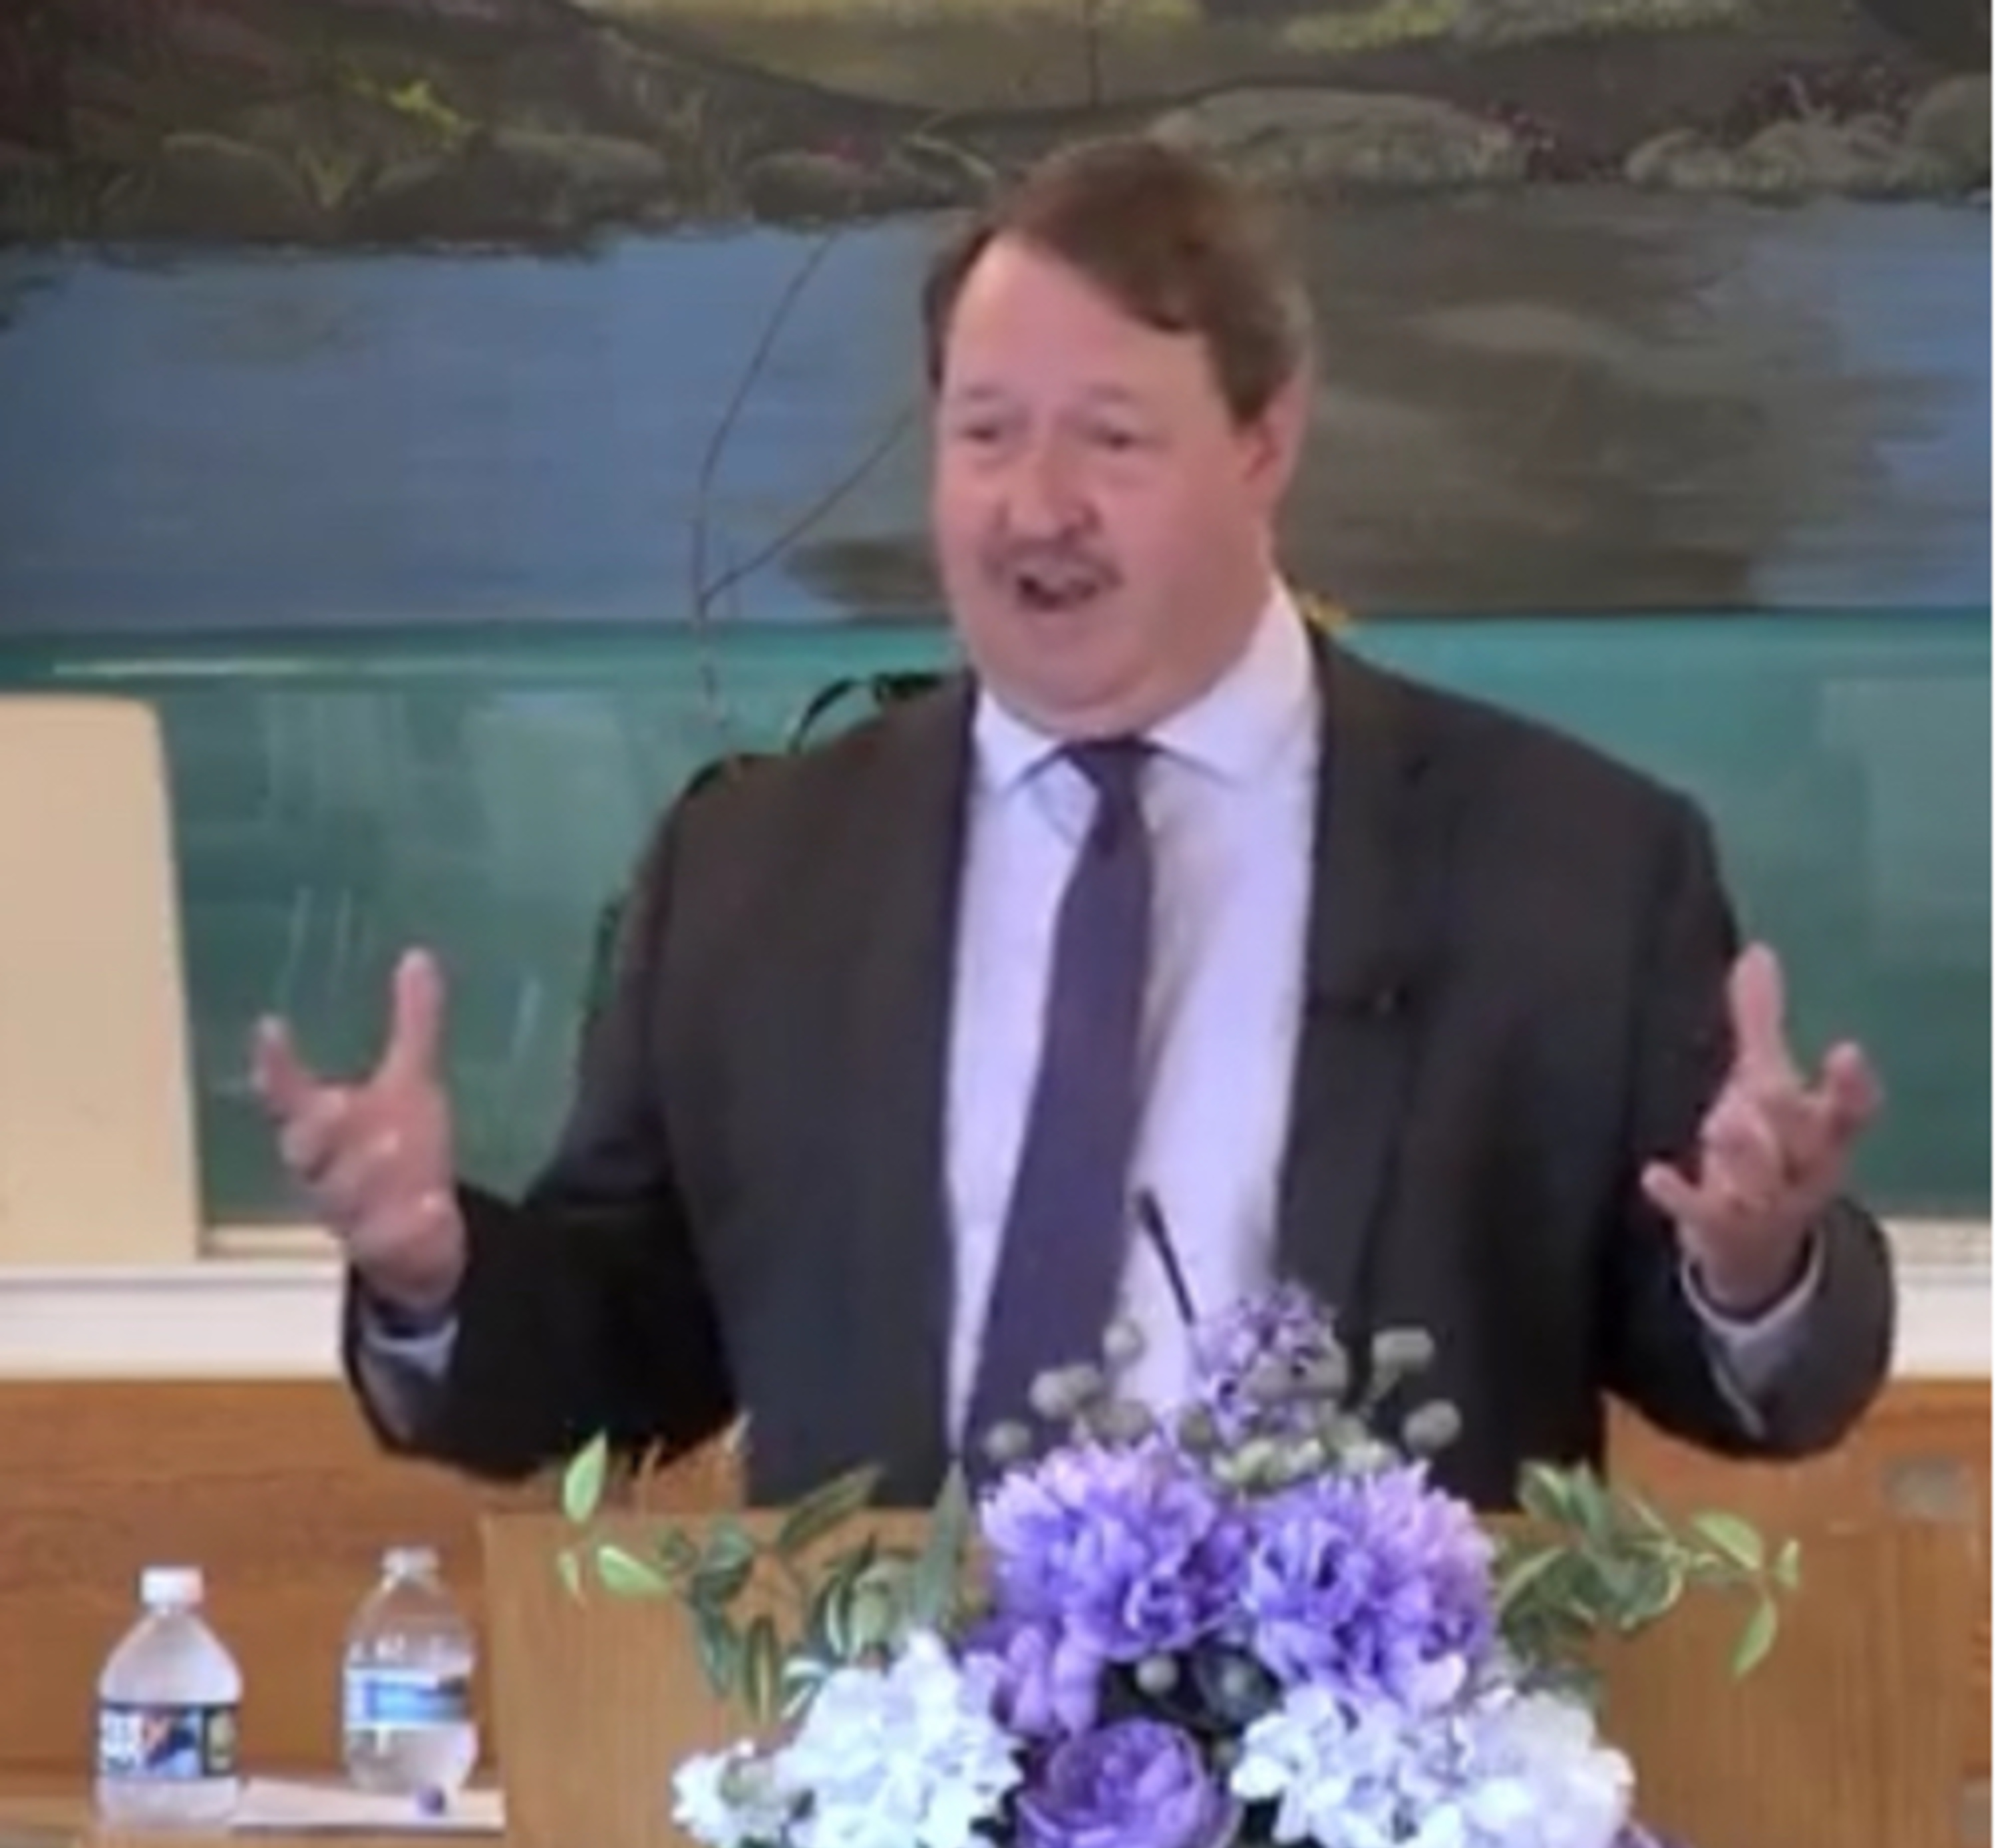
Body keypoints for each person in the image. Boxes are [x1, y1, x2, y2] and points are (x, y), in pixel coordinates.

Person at [251, 137, 1893, 1511]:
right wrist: (436, 1275)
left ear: (1264, 440)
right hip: (883, 1776)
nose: (1035, 506)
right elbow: (626, 1361)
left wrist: (1756, 1272)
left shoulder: (1571, 863)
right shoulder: (756, 874)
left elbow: (1756, 1386)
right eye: (985, 434)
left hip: (1385, 1783)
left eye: (1109, 438)